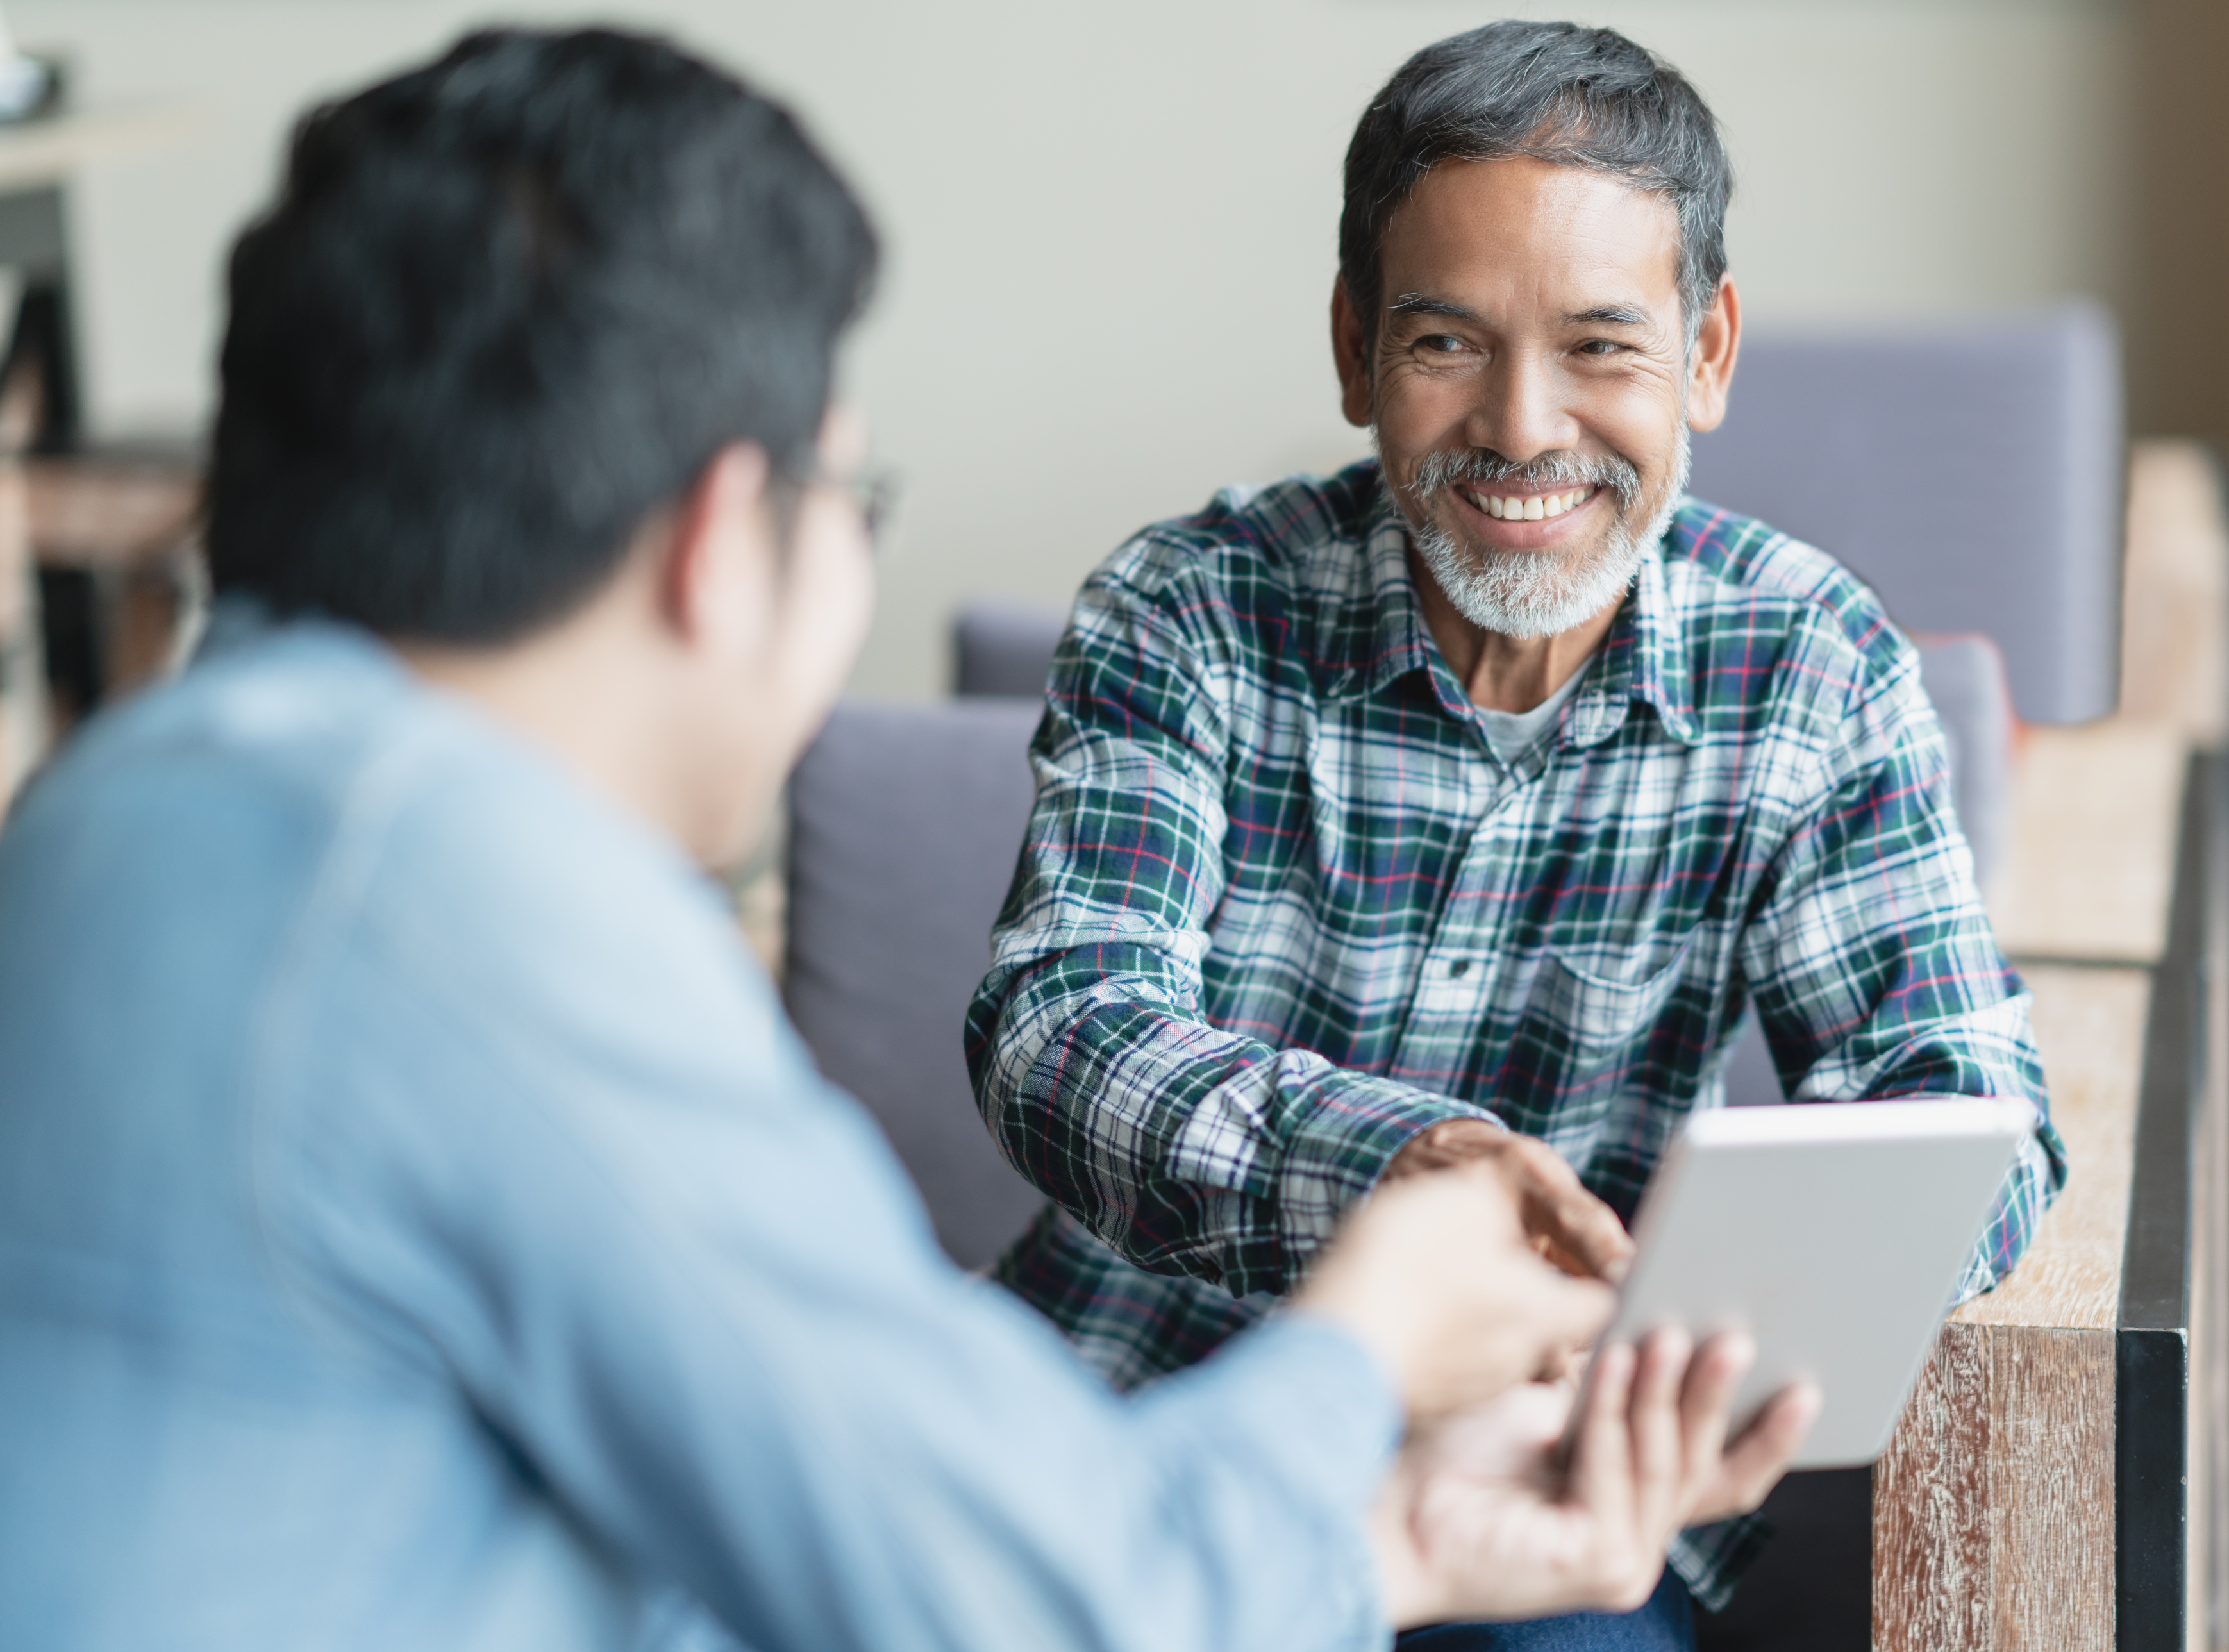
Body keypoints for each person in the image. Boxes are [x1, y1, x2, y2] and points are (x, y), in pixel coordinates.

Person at [0, 29, 1819, 1652]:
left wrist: (1392, 1526)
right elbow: (1058, 1601)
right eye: (847, 497)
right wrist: (1368, 1340)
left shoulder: (110, 815)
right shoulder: (476, 924)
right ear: (733, 533)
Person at [966, 19, 2069, 1644]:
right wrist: (1403, 1171)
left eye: (1603, 348)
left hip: (1567, 1471)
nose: (1525, 427)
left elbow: (1971, 1113)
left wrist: (1693, 1319)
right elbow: (1061, 1028)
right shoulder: (1186, 611)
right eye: (1445, 345)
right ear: (1353, 351)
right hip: (1152, 1419)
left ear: (1708, 351)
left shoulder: (1811, 664)